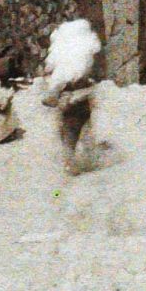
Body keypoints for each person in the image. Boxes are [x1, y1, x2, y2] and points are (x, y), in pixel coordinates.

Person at [38, 18, 103, 175]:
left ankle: (70, 163)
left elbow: (57, 81)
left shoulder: (63, 59)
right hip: (83, 98)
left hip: (69, 100)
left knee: (69, 132)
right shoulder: (83, 55)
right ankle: (88, 158)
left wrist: (49, 96)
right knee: (85, 127)